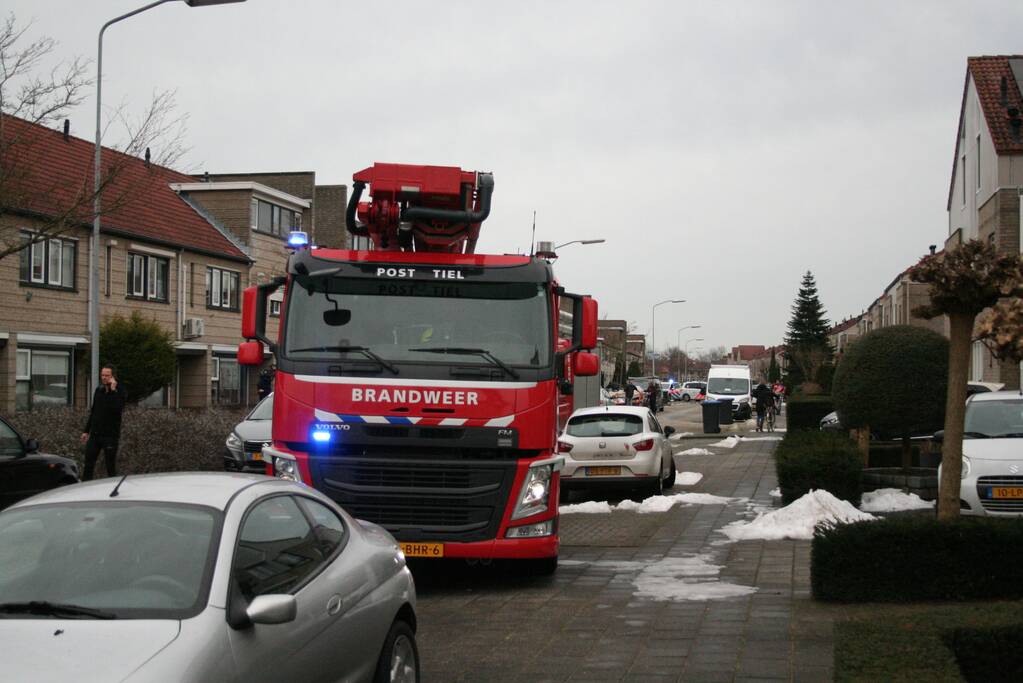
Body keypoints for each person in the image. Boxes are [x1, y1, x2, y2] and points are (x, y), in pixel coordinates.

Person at [80, 364, 126, 480]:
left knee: (110, 466)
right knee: (88, 464)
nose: (104, 377)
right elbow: (94, 411)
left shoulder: (120, 390)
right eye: (102, 375)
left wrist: (113, 391)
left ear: (113, 376)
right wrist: (86, 431)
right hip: (95, 435)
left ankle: (112, 489)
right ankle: (85, 488)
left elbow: (117, 409)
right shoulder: (99, 390)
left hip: (110, 436)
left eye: (107, 375)